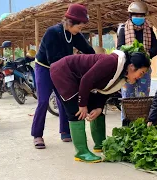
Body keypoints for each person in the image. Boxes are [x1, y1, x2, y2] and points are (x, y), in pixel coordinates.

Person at [50, 50, 151, 163]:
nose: (140, 77)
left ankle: (100, 144)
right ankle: (81, 152)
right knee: (76, 112)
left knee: (95, 109)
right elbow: (87, 79)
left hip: (80, 79)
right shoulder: (111, 62)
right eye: (141, 73)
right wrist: (82, 104)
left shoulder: (122, 75)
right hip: (64, 72)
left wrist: (99, 107)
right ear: (132, 67)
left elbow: (104, 91)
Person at [31, 3, 95, 149]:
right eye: (79, 26)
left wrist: (100, 60)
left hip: (61, 68)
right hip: (45, 68)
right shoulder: (52, 32)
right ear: (70, 22)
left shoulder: (75, 35)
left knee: (64, 98)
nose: (80, 29)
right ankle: (37, 135)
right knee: (43, 101)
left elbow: (88, 50)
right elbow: (53, 59)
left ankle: (65, 131)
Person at [117, 1, 157, 126]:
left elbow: (156, 48)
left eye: (141, 15)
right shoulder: (124, 29)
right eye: (136, 15)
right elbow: (120, 48)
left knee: (143, 98)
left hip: (144, 70)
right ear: (130, 15)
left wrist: (146, 54)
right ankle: (126, 125)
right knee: (127, 98)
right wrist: (133, 56)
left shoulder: (148, 29)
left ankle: (141, 124)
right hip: (129, 69)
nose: (139, 18)